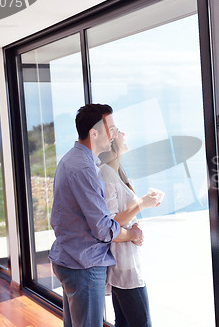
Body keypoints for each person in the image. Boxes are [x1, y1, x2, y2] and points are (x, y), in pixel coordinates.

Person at [49, 103, 145, 327]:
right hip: (84, 264)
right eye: (110, 128)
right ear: (93, 133)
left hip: (69, 257)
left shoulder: (70, 159)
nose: (113, 134)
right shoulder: (85, 168)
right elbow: (103, 228)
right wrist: (131, 234)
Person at [99, 129, 160, 327]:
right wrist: (142, 203)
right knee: (141, 323)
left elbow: (120, 215)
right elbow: (112, 221)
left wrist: (136, 224)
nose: (124, 132)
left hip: (124, 262)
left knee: (124, 322)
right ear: (112, 141)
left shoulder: (115, 170)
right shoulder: (107, 172)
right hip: (124, 265)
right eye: (118, 131)